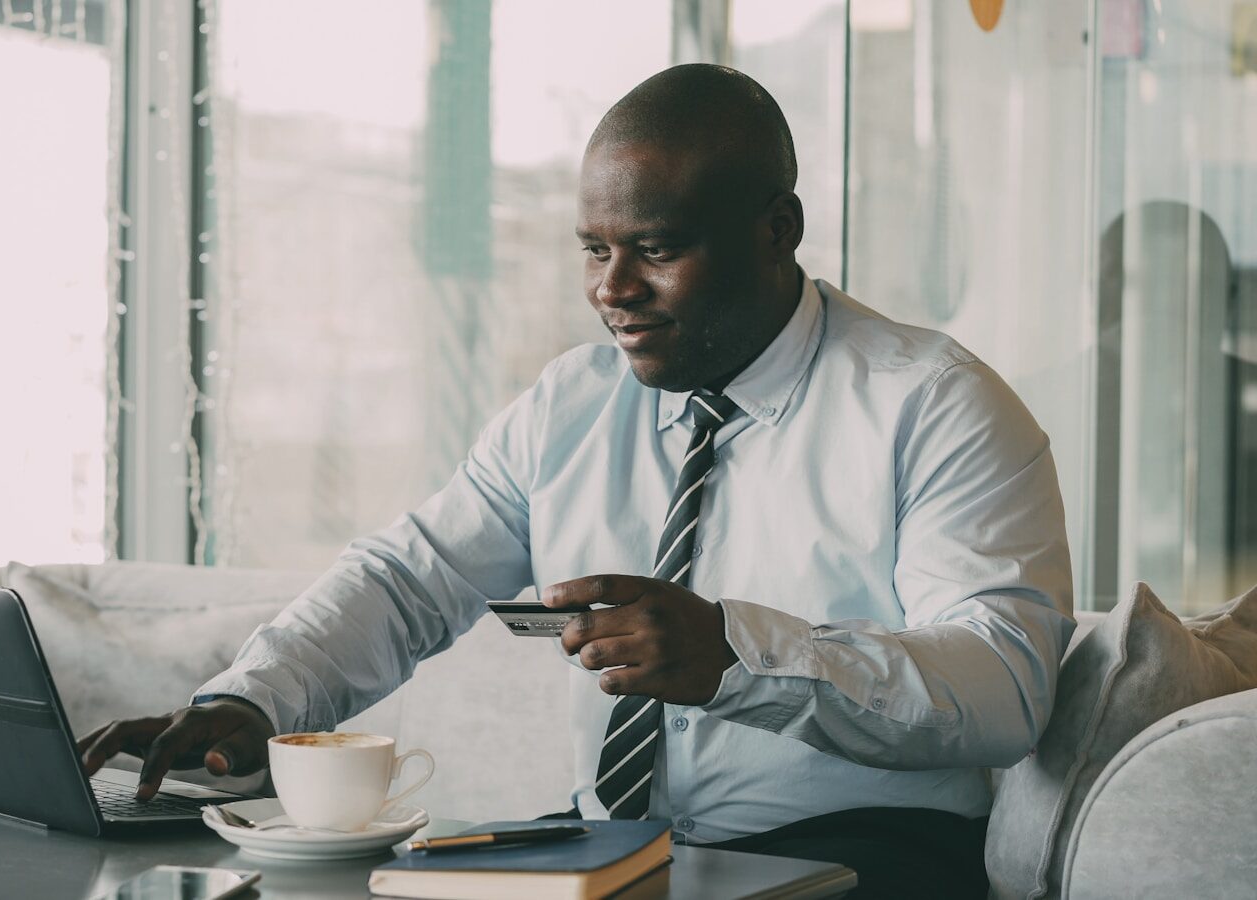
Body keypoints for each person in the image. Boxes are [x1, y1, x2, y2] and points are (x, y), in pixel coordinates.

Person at [77, 64, 1074, 897]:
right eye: (595, 251)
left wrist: (735, 651)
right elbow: (410, 576)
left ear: (778, 230)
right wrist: (254, 702)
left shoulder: (935, 406)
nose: (611, 291)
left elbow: (1002, 687)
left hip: (860, 859)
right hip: (615, 850)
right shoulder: (574, 401)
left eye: (655, 250)